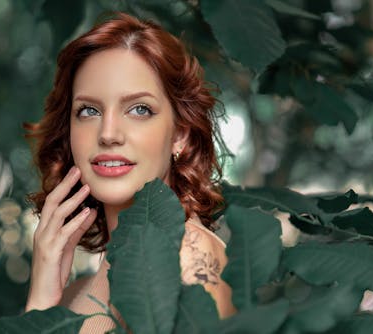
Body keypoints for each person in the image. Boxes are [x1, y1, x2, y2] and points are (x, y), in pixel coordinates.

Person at [24, 12, 235, 332]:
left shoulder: (191, 261)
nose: (108, 133)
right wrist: (39, 302)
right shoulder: (70, 296)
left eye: (139, 109)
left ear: (180, 134)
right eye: (89, 110)